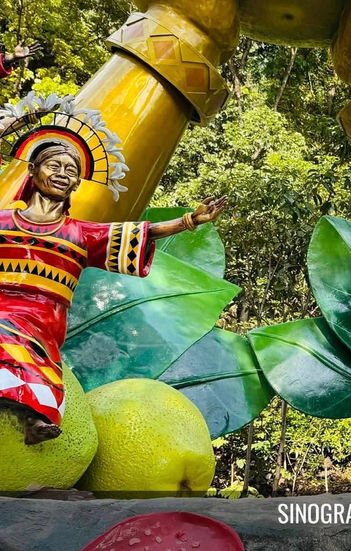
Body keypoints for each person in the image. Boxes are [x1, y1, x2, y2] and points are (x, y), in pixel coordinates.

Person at [0, 143, 227, 444]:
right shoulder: (3, 223)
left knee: (33, 352)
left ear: (77, 183)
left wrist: (189, 221)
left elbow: (137, 234)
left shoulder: (81, 234)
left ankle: (37, 415)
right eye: (53, 166)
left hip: (46, 317)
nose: (62, 174)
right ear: (32, 170)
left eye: (70, 170)